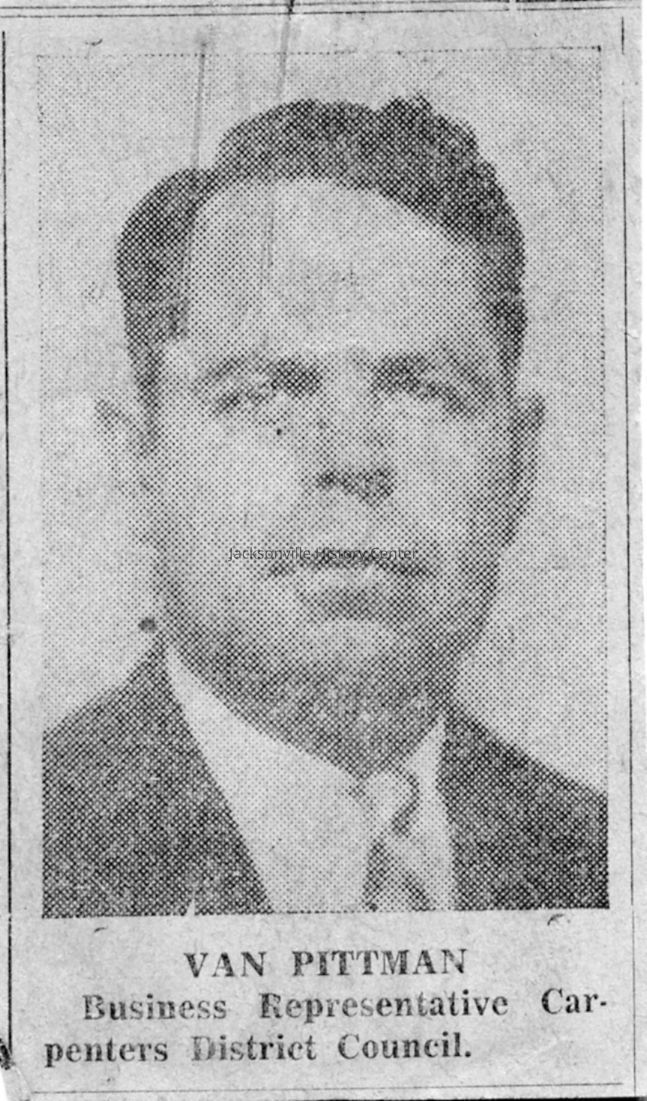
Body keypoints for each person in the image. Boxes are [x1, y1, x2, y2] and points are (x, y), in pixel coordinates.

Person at [43, 97, 607, 917]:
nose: (352, 460)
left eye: (423, 391)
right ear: (139, 461)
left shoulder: (602, 859)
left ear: (518, 464)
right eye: (264, 392)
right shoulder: (32, 841)